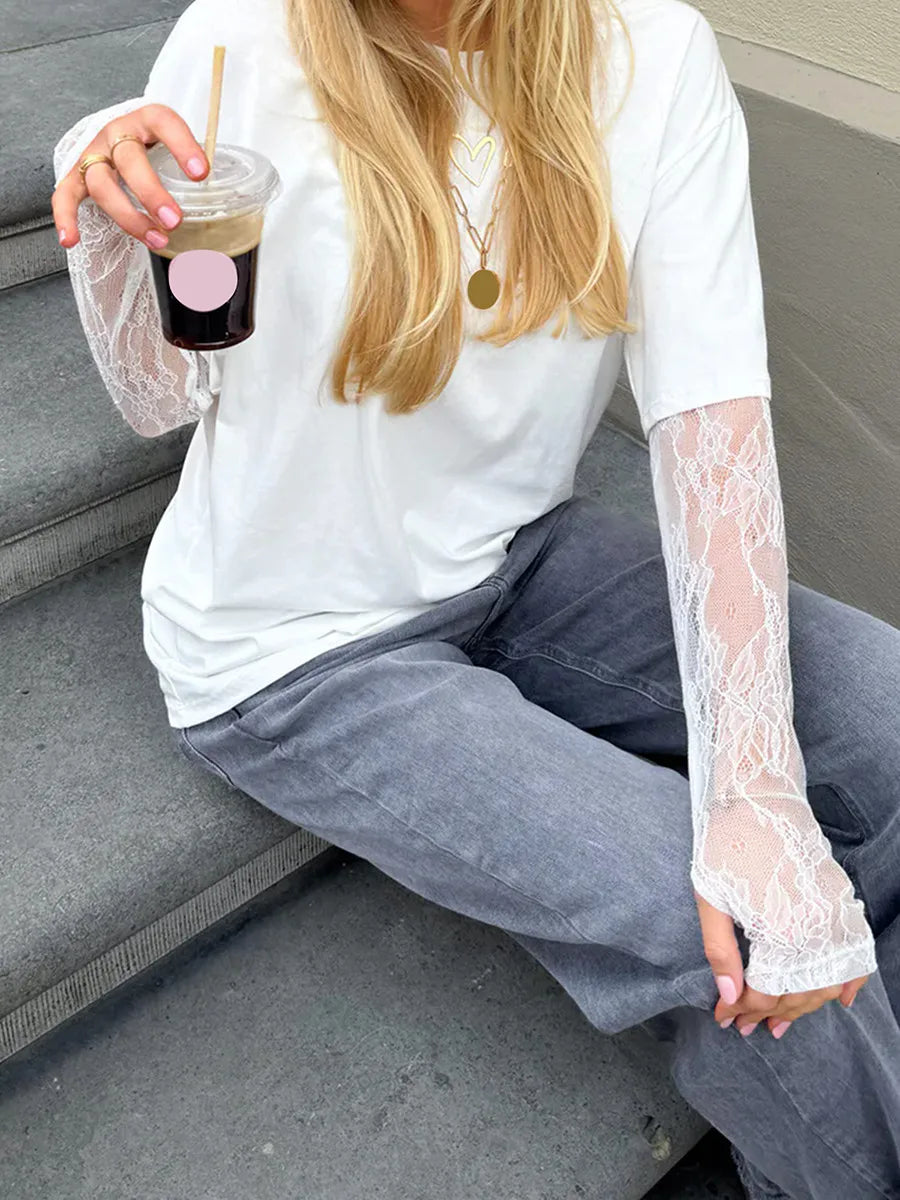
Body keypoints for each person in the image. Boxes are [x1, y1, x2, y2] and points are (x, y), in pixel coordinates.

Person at [50, 0, 900, 1194]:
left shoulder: (654, 51)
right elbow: (161, 395)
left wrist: (755, 792)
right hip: (295, 643)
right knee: (713, 920)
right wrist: (111, 233)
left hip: (516, 555)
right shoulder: (239, 36)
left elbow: (712, 426)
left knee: (882, 722)